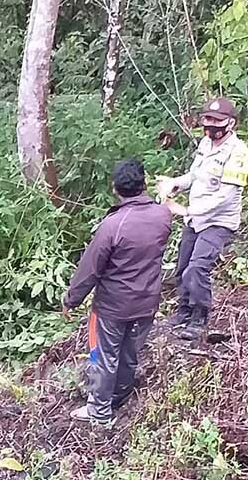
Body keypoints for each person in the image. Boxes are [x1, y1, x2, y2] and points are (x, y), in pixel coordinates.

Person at [63, 159, 172, 424]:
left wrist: (71, 300)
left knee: (104, 356)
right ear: (144, 184)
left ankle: (100, 412)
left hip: (113, 307)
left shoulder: (112, 226)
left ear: (115, 189)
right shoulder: (163, 215)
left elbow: (90, 268)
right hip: (147, 302)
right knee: (129, 353)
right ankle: (119, 396)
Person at [158, 97, 248, 341]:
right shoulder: (205, 144)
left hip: (218, 222)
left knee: (197, 267)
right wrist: (175, 184)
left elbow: (225, 195)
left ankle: (200, 317)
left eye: (216, 120)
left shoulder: (238, 152)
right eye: (207, 119)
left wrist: (188, 210)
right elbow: (195, 175)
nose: (210, 125)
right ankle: (184, 311)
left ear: (230, 123)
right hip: (196, 220)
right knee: (183, 267)